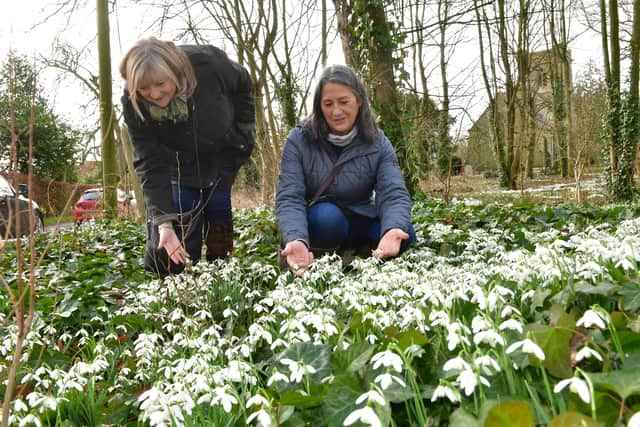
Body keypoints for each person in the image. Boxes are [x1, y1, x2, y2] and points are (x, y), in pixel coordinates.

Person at [120, 38, 255, 276]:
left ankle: (221, 279)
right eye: (143, 88)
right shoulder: (133, 103)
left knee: (218, 225)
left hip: (220, 155)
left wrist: (243, 130)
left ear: (175, 71)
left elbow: (243, 81)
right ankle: (173, 285)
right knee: (171, 239)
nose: (154, 94)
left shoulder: (209, 64)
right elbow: (149, 162)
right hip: (175, 166)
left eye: (161, 83)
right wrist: (163, 223)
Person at [275, 64, 416, 276]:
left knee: (405, 234)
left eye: (344, 102)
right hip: (322, 220)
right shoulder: (299, 140)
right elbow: (289, 196)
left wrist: (393, 229)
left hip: (360, 216)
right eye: (328, 104)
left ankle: (362, 254)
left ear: (359, 101)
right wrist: (295, 238)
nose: (336, 111)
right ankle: (319, 255)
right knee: (328, 218)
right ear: (319, 106)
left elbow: (393, 192)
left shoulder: (378, 142)